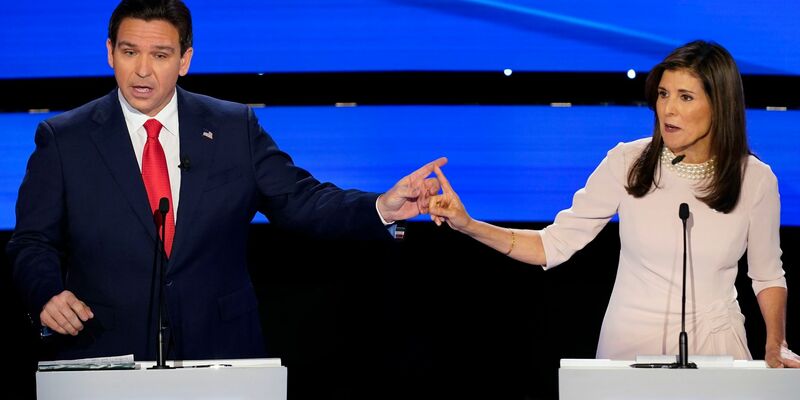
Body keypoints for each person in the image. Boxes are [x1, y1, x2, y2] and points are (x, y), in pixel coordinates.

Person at [7, 0, 445, 361]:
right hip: (104, 348)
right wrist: (47, 294)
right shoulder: (64, 139)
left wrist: (381, 206)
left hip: (219, 349)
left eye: (159, 55)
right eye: (128, 52)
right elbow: (31, 240)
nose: (142, 70)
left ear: (185, 60)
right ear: (109, 53)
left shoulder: (233, 127)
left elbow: (301, 200)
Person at [427, 40, 800, 368]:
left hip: (717, 348)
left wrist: (775, 342)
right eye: (663, 93)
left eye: (685, 97)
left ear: (720, 105)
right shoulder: (628, 162)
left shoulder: (755, 179)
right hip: (631, 351)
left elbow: (767, 275)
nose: (667, 109)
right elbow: (551, 245)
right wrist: (469, 224)